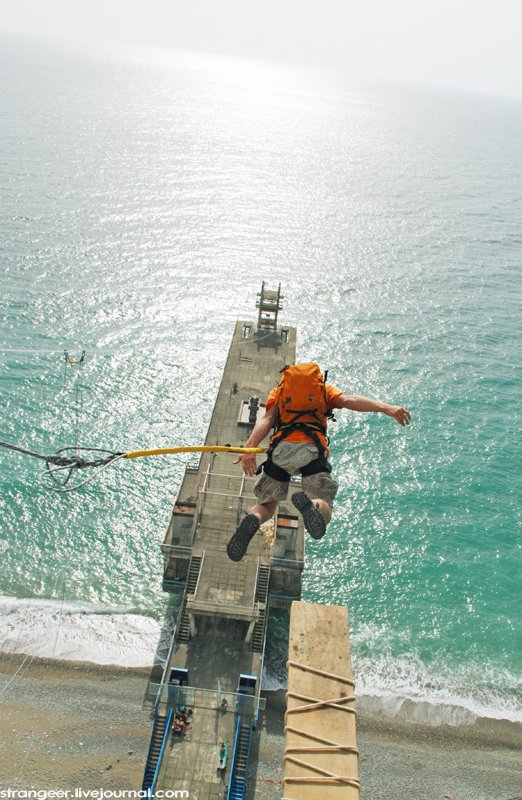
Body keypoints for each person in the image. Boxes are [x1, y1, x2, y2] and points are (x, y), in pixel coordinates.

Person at [227, 365, 411, 561]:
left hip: (281, 450)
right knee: (324, 502)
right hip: (312, 451)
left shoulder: (279, 392)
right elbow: (350, 401)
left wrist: (249, 447)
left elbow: (266, 420)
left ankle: (254, 518)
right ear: (317, 379)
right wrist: (386, 408)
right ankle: (313, 507)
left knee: (267, 504)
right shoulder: (323, 391)